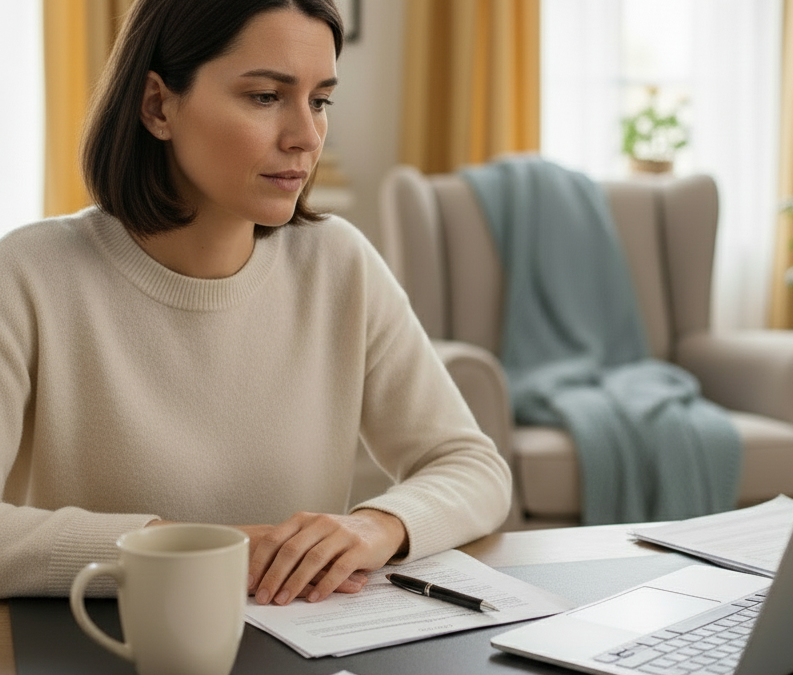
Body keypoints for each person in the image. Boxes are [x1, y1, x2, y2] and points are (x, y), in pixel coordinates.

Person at [0, 0, 511, 607]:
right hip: (105, 647)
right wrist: (188, 550)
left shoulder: (338, 264)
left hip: (304, 647)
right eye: (266, 97)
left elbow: (472, 466)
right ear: (158, 106)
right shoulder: (28, 276)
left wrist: (374, 525)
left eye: (320, 100)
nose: (306, 136)